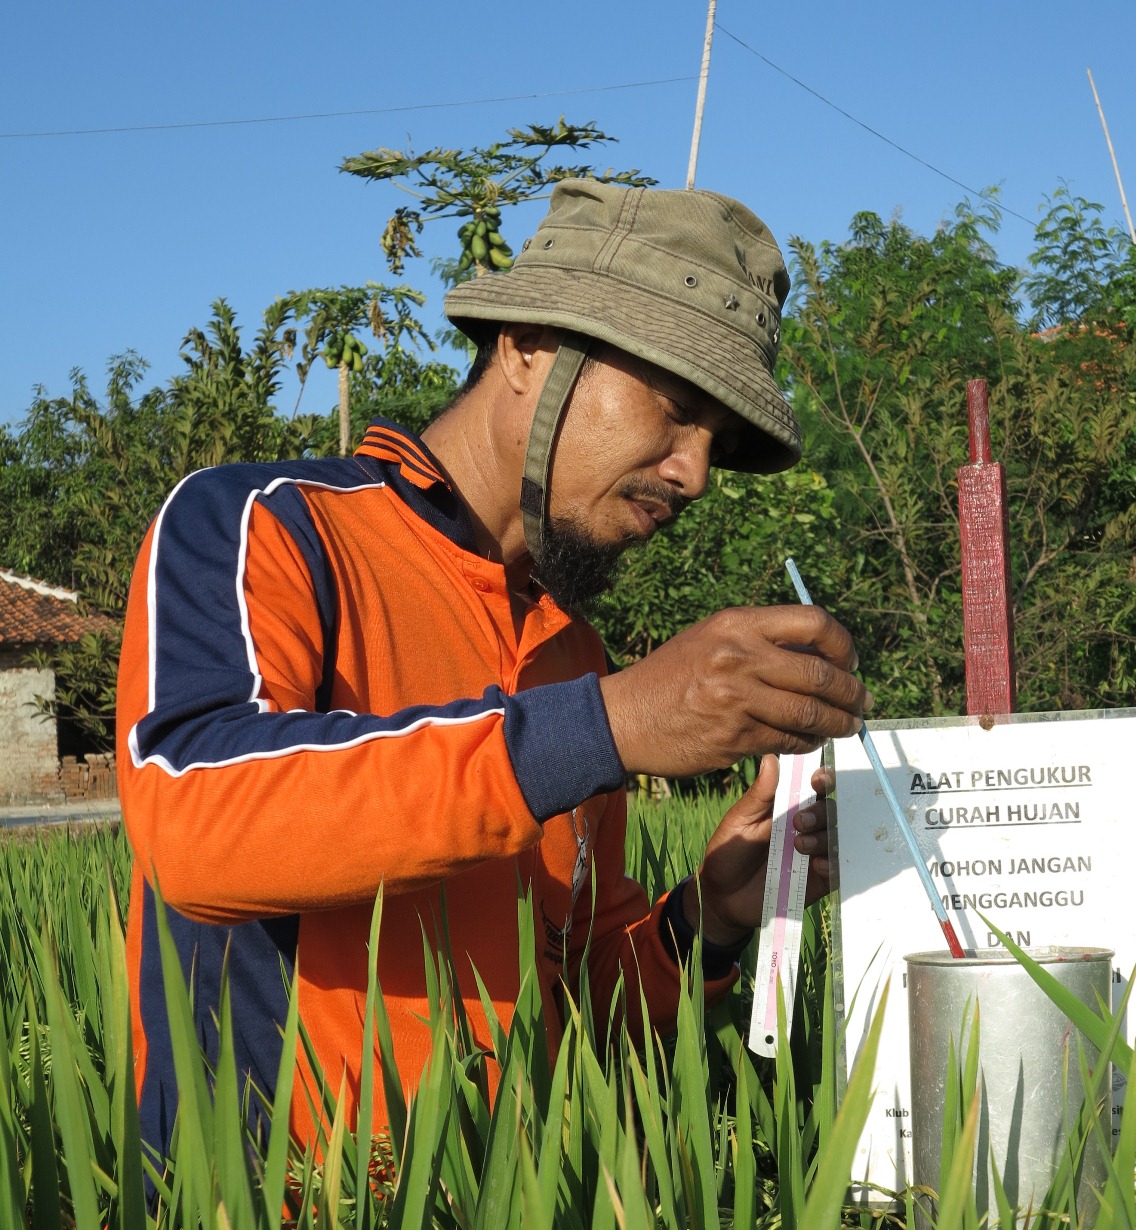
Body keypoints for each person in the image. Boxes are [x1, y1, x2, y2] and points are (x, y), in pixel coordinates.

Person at [116, 178, 869, 1160]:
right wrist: (609, 724)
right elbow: (195, 828)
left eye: (714, 444)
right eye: (675, 408)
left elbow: (582, 1009)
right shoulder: (270, 526)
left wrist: (712, 915)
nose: (693, 472)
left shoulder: (571, 652)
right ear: (525, 347)